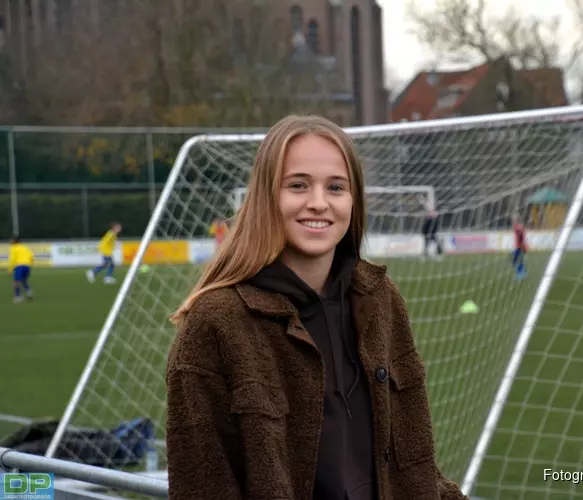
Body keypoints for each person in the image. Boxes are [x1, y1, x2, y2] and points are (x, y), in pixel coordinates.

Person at [165, 115, 468, 500]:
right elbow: (203, 486)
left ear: (353, 200)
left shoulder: (379, 298)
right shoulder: (217, 322)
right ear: (266, 197)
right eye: (298, 185)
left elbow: (414, 464)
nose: (319, 203)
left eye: (336, 187)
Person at [8, 236, 34, 304]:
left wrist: (10, 269)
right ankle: (29, 292)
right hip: (27, 266)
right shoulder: (25, 247)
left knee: (16, 281)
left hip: (19, 266)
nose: (10, 241)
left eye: (11, 240)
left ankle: (18, 297)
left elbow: (12, 259)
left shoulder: (13, 248)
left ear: (15, 241)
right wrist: (30, 265)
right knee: (23, 280)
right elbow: (31, 257)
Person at [511, 214, 527, 280]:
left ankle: (520, 274)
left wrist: (521, 247)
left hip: (520, 247)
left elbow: (521, 237)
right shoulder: (519, 226)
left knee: (515, 261)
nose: (512, 220)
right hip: (521, 246)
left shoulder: (517, 227)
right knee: (518, 260)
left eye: (513, 219)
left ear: (516, 220)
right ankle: (522, 273)